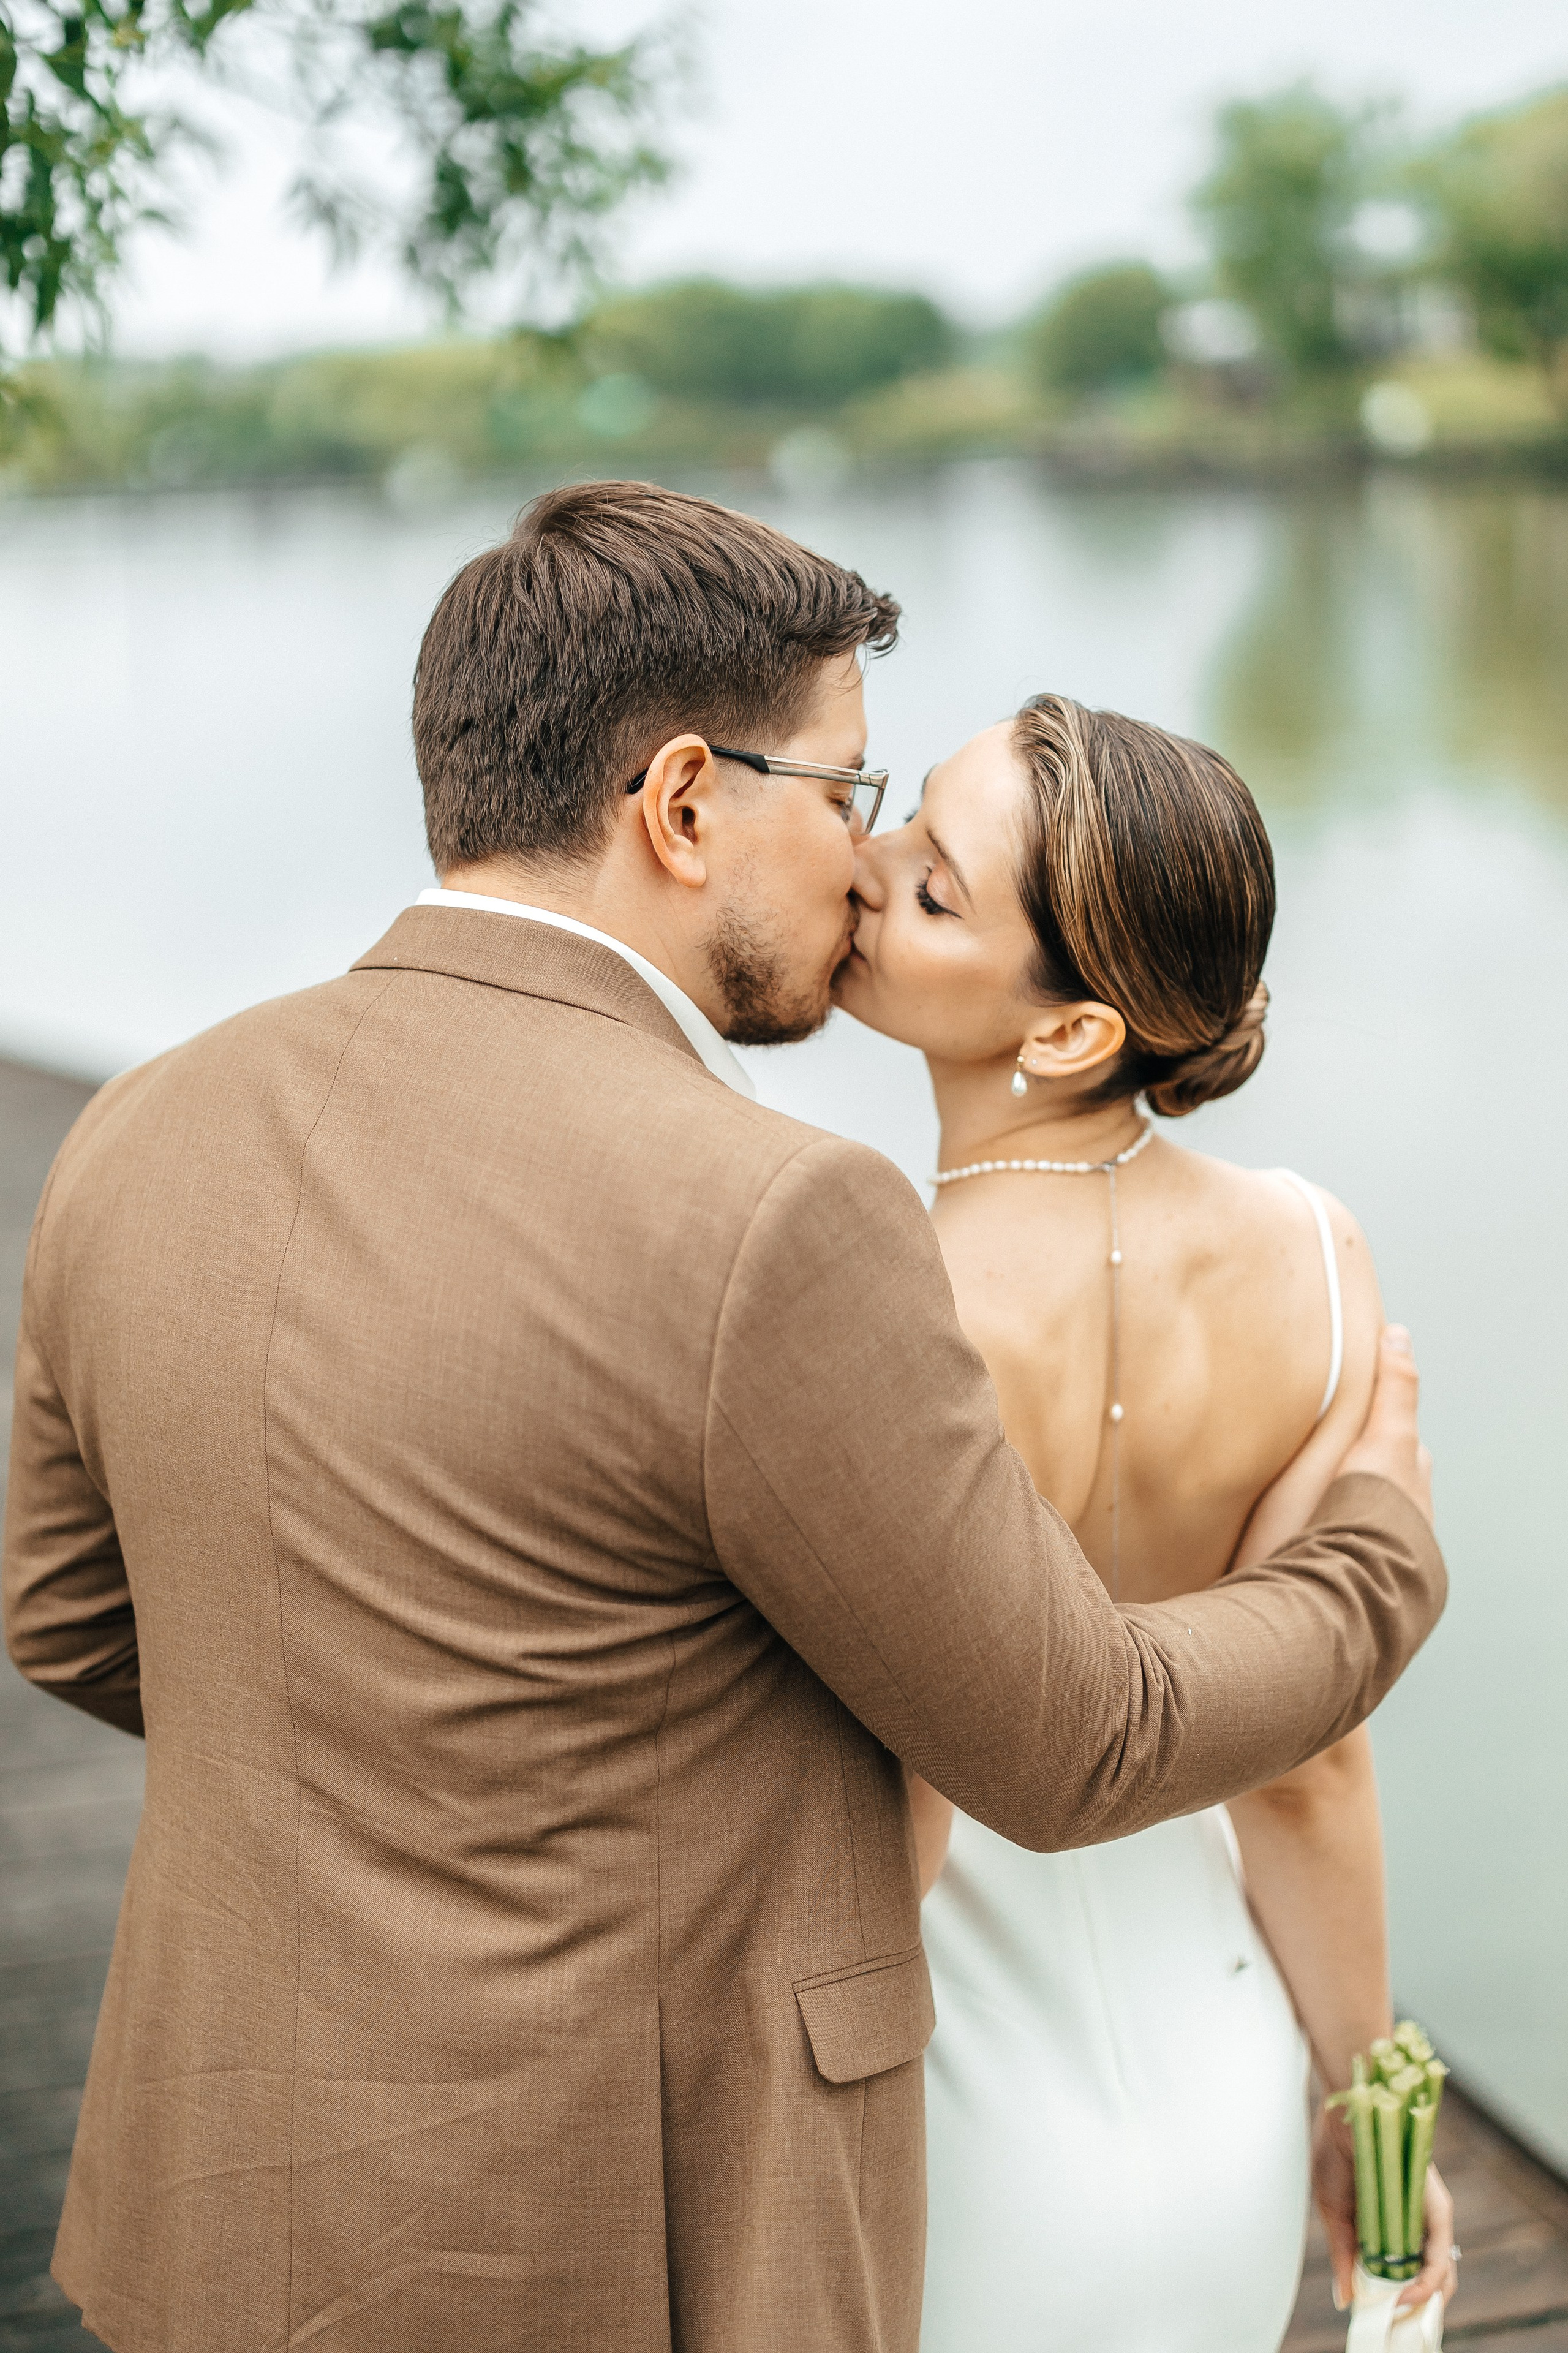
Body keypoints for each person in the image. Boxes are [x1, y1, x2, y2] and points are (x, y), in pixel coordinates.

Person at [3, 485, 1442, 2353]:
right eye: (849, 797)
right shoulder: (777, 1216)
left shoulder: (135, 1128)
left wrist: (394, 1747)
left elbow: (61, 1611)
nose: (863, 866)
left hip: (212, 2204)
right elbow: (1071, 1737)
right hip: (584, 2229)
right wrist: (1376, 1562)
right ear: (685, 804)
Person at [835, 693, 1458, 2351]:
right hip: (1228, 2097)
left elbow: (887, 1824)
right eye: (906, 817)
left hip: (955, 2132)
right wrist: (1362, 2102)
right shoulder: (1320, 1260)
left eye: (933, 886)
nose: (861, 860)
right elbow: (1310, 1760)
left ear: (1064, 1034)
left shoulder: (885, 1306)